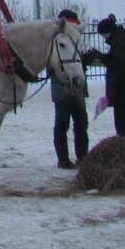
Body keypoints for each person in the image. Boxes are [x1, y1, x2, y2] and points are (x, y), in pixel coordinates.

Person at [83, 13, 125, 142]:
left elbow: (119, 68)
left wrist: (112, 91)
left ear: (107, 32)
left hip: (124, 92)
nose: (104, 38)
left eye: (103, 34)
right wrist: (102, 57)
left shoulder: (119, 42)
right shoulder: (122, 40)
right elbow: (117, 61)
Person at [50, 9, 89, 168]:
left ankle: (66, 159)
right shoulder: (62, 37)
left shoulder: (69, 36)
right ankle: (79, 158)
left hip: (67, 89)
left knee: (67, 124)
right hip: (65, 88)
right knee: (77, 124)